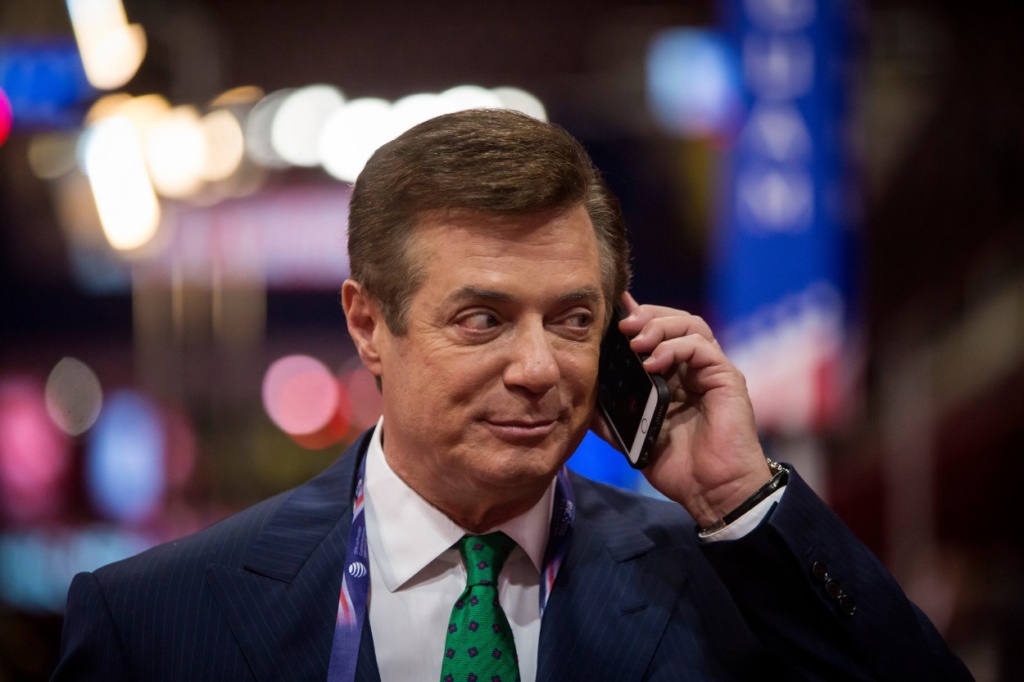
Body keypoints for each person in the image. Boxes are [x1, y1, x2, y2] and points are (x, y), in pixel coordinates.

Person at [52, 108, 972, 681]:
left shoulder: (723, 586)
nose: (538, 368)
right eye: (483, 319)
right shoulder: (157, 620)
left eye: (572, 320)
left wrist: (738, 499)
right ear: (368, 325)